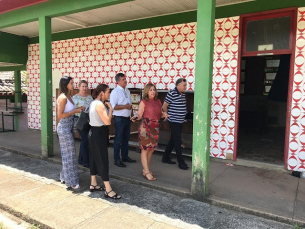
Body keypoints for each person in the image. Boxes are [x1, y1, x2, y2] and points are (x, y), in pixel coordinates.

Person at [88, 83, 121, 199]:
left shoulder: (93, 103)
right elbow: (107, 122)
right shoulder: (99, 105)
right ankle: (108, 189)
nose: (109, 94)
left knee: (93, 158)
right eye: (108, 92)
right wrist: (111, 109)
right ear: (102, 93)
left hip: (93, 132)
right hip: (99, 133)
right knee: (102, 159)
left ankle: (93, 183)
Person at [131, 83, 165, 181]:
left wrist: (164, 115)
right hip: (145, 127)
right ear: (146, 91)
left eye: (154, 89)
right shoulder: (143, 101)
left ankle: (147, 169)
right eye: (150, 90)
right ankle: (146, 172)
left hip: (155, 127)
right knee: (145, 149)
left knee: (151, 149)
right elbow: (139, 114)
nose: (153, 91)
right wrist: (135, 117)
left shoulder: (158, 101)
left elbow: (159, 114)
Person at [57, 76, 85, 189]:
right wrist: (75, 111)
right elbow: (60, 115)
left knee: (68, 154)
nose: (73, 85)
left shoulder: (69, 96)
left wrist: (79, 108)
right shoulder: (63, 97)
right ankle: (71, 182)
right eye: (71, 83)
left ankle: (64, 176)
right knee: (70, 155)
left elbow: (69, 111)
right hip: (64, 128)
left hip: (69, 127)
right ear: (66, 85)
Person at [110, 72, 136, 167]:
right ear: (117, 81)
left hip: (127, 118)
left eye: (125, 79)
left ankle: (125, 156)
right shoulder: (115, 92)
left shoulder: (127, 90)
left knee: (126, 139)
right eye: (123, 79)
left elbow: (130, 104)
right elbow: (113, 107)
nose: (125, 81)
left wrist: (132, 114)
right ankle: (117, 159)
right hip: (119, 119)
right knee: (118, 140)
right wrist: (125, 107)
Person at [161, 78, 189, 170]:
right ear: (178, 85)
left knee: (173, 139)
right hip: (174, 121)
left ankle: (165, 157)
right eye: (184, 85)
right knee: (177, 141)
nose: (186, 87)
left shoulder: (183, 94)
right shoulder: (172, 93)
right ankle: (181, 162)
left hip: (180, 121)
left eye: (186, 85)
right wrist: (167, 115)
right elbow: (164, 106)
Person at [72, 80, 93, 168]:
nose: (84, 88)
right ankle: (85, 161)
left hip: (88, 120)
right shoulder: (75, 97)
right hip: (79, 120)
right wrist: (79, 108)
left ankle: (81, 159)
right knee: (85, 139)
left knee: (85, 140)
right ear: (79, 87)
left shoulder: (90, 97)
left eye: (86, 86)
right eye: (83, 86)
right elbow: (71, 109)